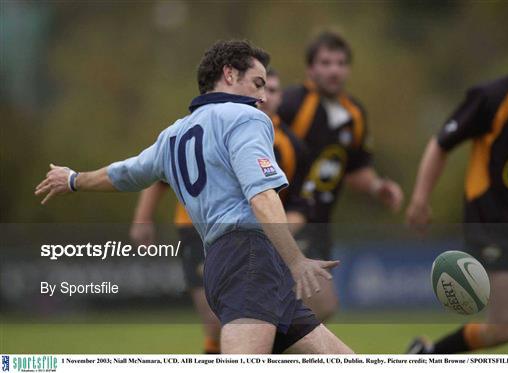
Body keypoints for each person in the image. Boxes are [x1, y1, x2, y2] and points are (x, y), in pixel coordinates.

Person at [35, 39, 354, 354]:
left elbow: (124, 173)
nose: (263, 96)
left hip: (224, 262)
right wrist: (296, 260)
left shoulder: (172, 135)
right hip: (249, 258)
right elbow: (260, 195)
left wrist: (75, 179)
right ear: (229, 74)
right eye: (258, 83)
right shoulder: (246, 117)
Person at [128, 67, 305, 354]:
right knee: (218, 323)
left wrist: (281, 235)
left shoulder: (290, 144)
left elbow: (296, 202)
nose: (265, 96)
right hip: (200, 229)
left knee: (271, 322)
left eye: (272, 90)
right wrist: (142, 217)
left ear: (281, 97)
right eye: (260, 86)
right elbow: (155, 172)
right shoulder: (220, 124)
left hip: (257, 236)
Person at [406, 19, 508, 354]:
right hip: (493, 221)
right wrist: (421, 199)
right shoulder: (493, 97)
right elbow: (440, 144)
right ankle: (430, 356)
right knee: (504, 327)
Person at [278, 31, 404, 321]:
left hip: (319, 223)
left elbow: (355, 168)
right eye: (325, 62)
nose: (334, 70)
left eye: (340, 63)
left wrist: (377, 186)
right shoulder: (293, 104)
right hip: (288, 219)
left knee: (307, 312)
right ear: (311, 68)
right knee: (320, 306)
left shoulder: (354, 114)